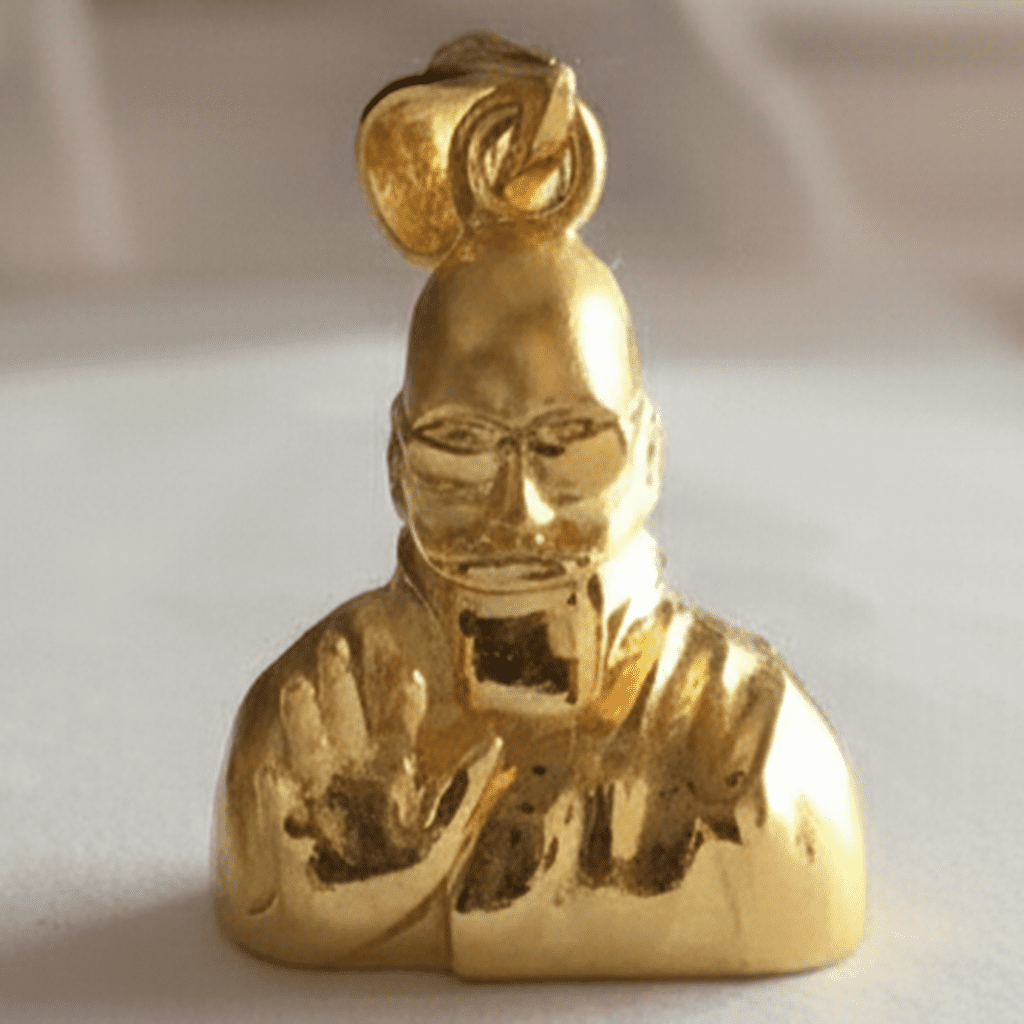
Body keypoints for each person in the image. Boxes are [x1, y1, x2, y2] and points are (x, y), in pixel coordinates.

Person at [214, 34, 864, 979]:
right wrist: (319, 898)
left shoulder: (747, 737)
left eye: (568, 448)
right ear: (396, 462)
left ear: (649, 455)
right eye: (459, 450)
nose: (515, 511)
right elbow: (254, 894)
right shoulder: (315, 726)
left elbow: (814, 903)